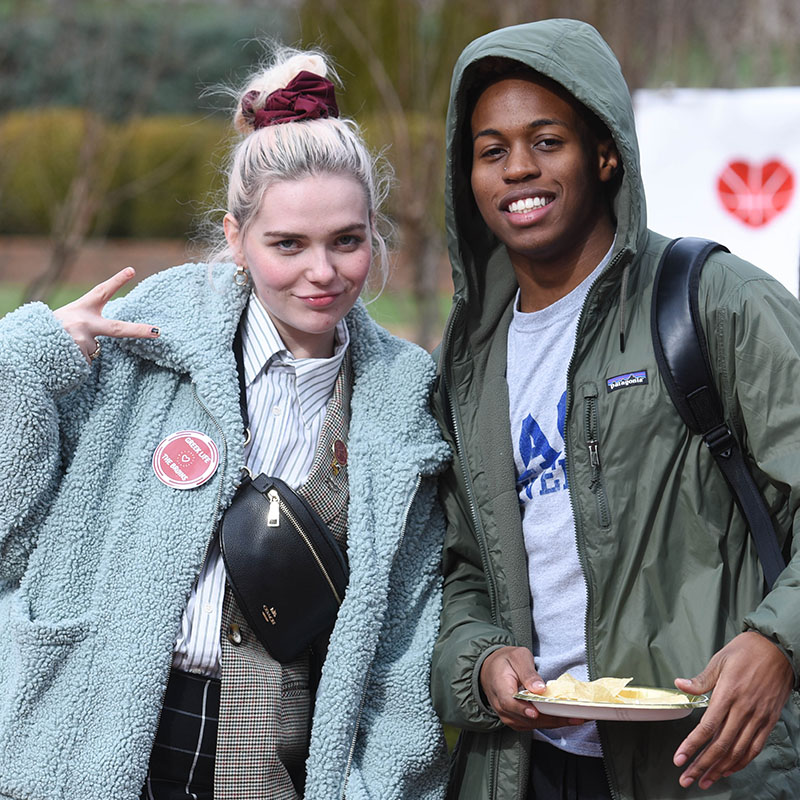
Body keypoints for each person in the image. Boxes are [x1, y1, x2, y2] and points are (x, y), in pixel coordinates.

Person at [0, 47, 450, 800]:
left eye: (346, 240)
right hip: (97, 734)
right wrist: (24, 362)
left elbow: (408, 630)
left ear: (374, 234)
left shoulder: (404, 400)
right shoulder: (142, 341)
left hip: (277, 754)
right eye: (287, 244)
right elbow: (11, 530)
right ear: (236, 238)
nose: (323, 271)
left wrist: (380, 783)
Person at [430, 18, 800, 800]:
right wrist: (481, 660)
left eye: (547, 142)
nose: (518, 170)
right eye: (491, 151)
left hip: (710, 764)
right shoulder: (468, 359)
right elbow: (466, 566)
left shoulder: (713, 302)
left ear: (605, 153)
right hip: (531, 766)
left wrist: (780, 643)